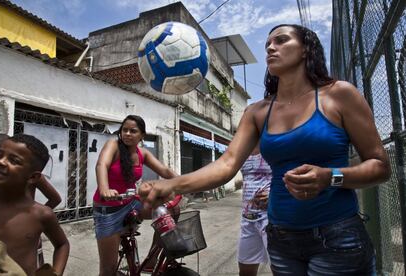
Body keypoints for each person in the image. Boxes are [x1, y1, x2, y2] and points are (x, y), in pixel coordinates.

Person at [139, 24, 391, 275]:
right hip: (281, 239)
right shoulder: (257, 112)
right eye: (268, 43)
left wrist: (330, 177)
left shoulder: (339, 94)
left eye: (281, 40)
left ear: (306, 49)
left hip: (337, 235)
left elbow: (380, 166)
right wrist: (171, 185)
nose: (271, 47)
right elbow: (227, 164)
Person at [92, 114, 178, 276]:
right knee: (108, 270)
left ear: (142, 136)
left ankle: (152, 260)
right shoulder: (113, 145)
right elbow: (101, 165)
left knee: (171, 210)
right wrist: (105, 189)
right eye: (124, 130)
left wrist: (186, 182)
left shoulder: (142, 153)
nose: (127, 134)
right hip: (108, 210)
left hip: (131, 204)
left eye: (133, 131)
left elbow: (164, 170)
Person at [0, 134, 69, 275]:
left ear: (33, 177)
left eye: (14, 161)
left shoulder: (41, 214)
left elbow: (62, 245)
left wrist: (56, 273)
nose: (1, 162)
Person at [238, 143, 271, 276]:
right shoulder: (242, 146)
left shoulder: (276, 140)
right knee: (245, 271)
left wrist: (276, 195)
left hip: (272, 218)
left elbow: (294, 172)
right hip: (248, 218)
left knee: (281, 270)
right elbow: (224, 167)